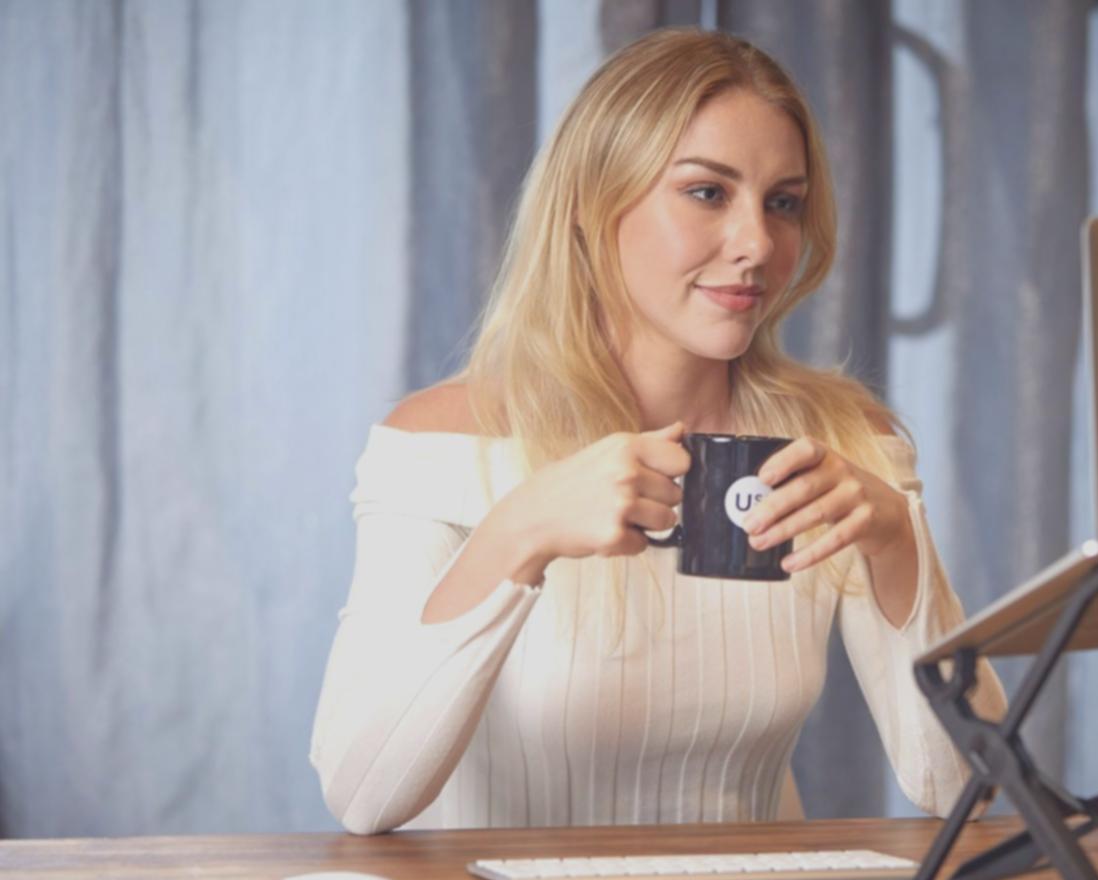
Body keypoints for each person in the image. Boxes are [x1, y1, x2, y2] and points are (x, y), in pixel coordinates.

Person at [309, 28, 1005, 835]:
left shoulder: (842, 444)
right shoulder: (437, 447)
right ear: (589, 200)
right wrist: (521, 530)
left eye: (782, 203)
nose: (757, 245)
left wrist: (896, 542)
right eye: (708, 192)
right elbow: (361, 797)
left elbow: (965, 789)